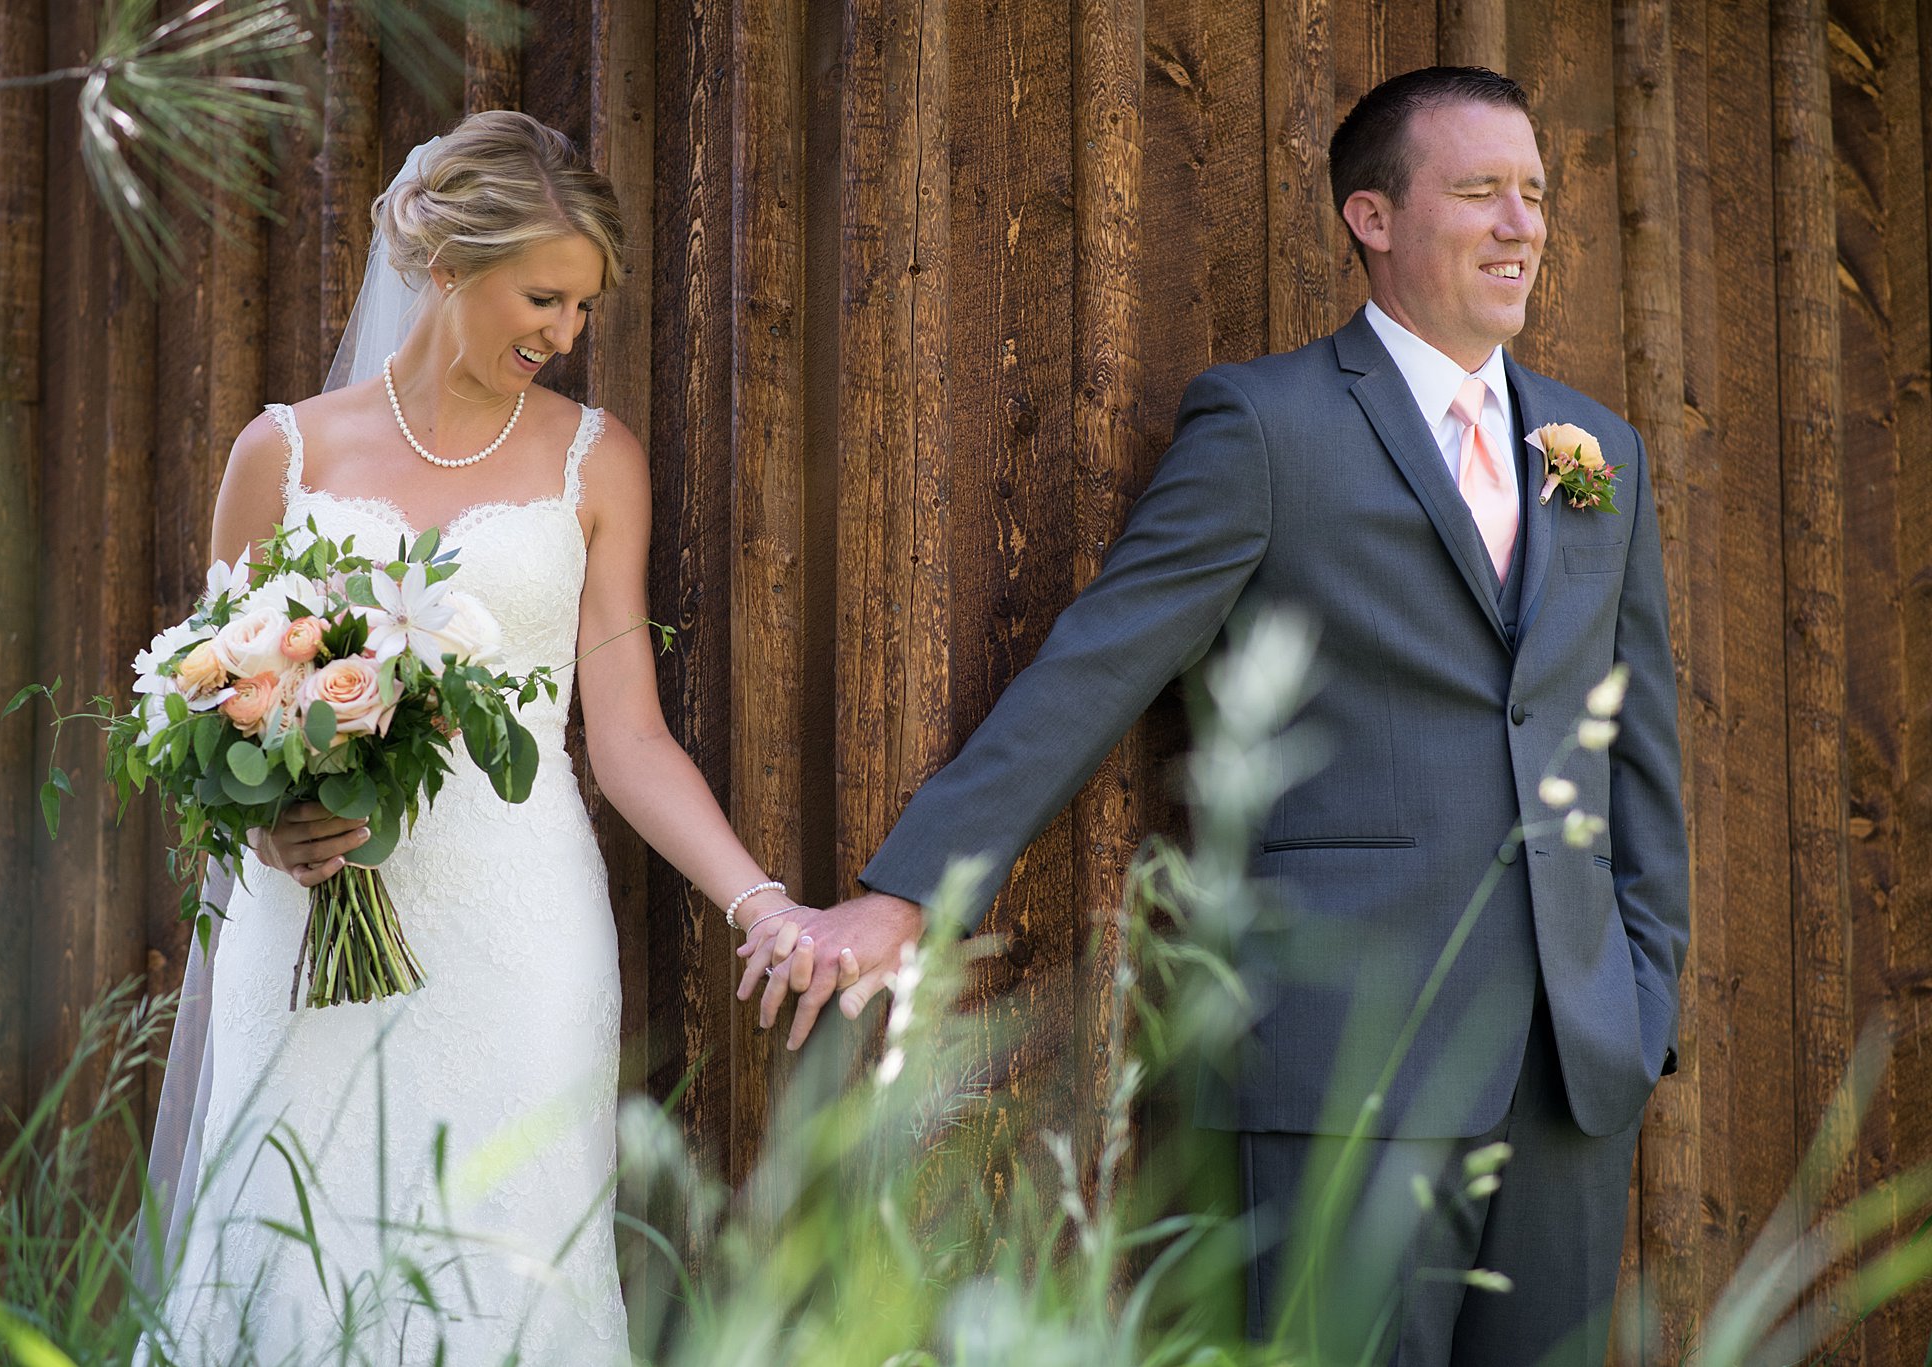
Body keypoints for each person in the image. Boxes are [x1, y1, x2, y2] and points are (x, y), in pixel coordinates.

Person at [746, 67, 1688, 1365]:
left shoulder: (1599, 450)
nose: (1522, 224)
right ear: (1371, 213)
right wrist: (907, 893)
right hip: (1341, 1051)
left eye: (1534, 193)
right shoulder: (1269, 424)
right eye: (1481, 191)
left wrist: (1640, 991)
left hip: (1572, 1063)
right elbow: (1097, 665)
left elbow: (1637, 749)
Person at [138, 110, 834, 1364]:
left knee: (504, 1267)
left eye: (582, 310)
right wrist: (278, 812)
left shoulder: (593, 460)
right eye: (544, 297)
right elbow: (211, 694)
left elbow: (623, 739)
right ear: (448, 261)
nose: (565, 335)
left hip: (519, 929)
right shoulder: (280, 452)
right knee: (293, 1258)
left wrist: (760, 903)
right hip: (308, 927)